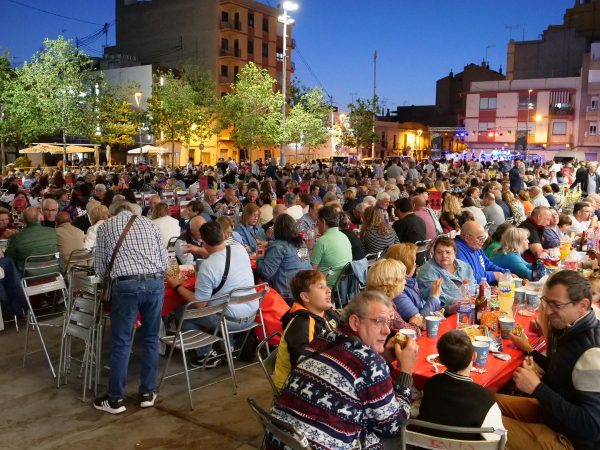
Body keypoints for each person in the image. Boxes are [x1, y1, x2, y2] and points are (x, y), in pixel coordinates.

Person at [270, 291, 418, 449]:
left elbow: (352, 371)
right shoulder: (370, 363)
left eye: (389, 322)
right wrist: (405, 373)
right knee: (402, 439)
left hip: (279, 439)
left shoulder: (321, 339)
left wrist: (381, 358)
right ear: (355, 322)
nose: (387, 331)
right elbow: (393, 427)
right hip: (318, 445)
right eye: (379, 322)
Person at [498, 270, 600, 450]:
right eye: (546, 302)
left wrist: (536, 387)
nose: (548, 311)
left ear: (583, 305)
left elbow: (592, 425)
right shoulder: (573, 328)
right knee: (483, 402)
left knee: (483, 425)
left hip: (570, 440)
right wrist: (529, 349)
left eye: (556, 305)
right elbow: (562, 373)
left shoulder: (592, 352)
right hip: (553, 415)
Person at [93, 201, 168, 414]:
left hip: (125, 285)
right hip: (154, 284)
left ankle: (115, 399)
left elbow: (99, 268)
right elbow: (164, 262)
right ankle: (147, 393)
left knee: (122, 342)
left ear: (113, 212)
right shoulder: (150, 224)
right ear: (133, 212)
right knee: (151, 339)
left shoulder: (106, 226)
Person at [165, 222, 256, 366]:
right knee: (223, 301)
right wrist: (199, 250)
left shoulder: (208, 266)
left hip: (230, 320)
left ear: (203, 240)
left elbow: (200, 304)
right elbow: (221, 254)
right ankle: (229, 347)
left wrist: (176, 285)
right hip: (252, 314)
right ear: (222, 235)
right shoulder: (238, 248)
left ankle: (206, 355)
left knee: (183, 311)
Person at [419, 330, 505, 441]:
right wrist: (504, 430)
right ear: (474, 356)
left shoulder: (430, 385)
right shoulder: (485, 399)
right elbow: (499, 438)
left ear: (440, 360)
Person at [272, 270, 339, 390]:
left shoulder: (328, 313)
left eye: (326, 285)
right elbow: (304, 366)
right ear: (305, 297)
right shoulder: (301, 324)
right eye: (321, 287)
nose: (328, 290)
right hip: (293, 386)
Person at [256, 214, 312, 300]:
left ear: (277, 229)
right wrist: (269, 243)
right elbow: (303, 263)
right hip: (303, 290)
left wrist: (259, 254)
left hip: (285, 296)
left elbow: (265, 272)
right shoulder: (300, 243)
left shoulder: (278, 248)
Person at [417, 237, 477, 311]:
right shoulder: (427, 270)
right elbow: (434, 296)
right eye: (439, 252)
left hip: (470, 308)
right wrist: (457, 302)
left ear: (455, 253)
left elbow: (473, 286)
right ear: (434, 254)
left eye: (448, 252)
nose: (444, 256)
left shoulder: (465, 266)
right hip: (443, 313)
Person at [385, 243, 442, 320]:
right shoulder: (397, 292)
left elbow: (423, 305)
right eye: (414, 261)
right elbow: (419, 321)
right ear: (407, 264)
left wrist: (449, 308)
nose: (416, 265)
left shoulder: (411, 281)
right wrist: (434, 297)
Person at [365, 258, 421, 331]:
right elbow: (409, 332)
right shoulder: (385, 307)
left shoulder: (371, 299)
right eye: (403, 279)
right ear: (392, 283)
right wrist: (415, 324)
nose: (405, 282)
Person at [5, 207, 58, 275]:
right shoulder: (53, 232)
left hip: (27, 275)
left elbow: (8, 257)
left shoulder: (16, 237)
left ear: (23, 220)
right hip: (53, 271)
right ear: (40, 218)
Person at [455, 220, 511, 284]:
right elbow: (469, 278)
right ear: (467, 238)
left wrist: (506, 272)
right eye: (479, 238)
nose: (482, 241)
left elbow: (488, 265)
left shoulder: (475, 246)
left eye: (483, 238)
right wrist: (493, 275)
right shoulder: (456, 250)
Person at [310, 204, 352, 288]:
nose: (317, 225)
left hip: (327, 285)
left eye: (317, 222)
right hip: (345, 284)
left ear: (324, 222)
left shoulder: (322, 241)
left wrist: (308, 249)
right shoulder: (344, 236)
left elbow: (311, 270)